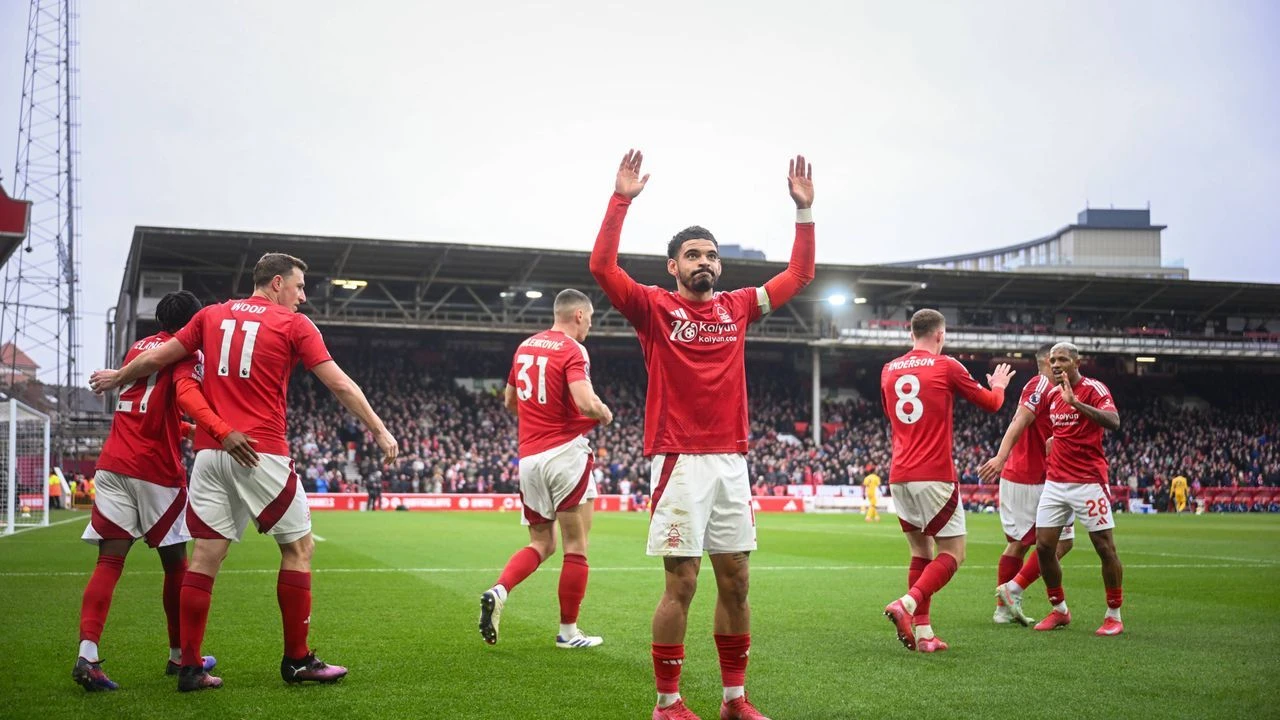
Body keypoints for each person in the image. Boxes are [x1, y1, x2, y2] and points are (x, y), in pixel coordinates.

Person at [90, 253, 398, 691]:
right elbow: (340, 383)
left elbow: (160, 358)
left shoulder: (211, 316)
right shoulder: (294, 325)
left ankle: (191, 667)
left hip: (211, 454)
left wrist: (117, 375)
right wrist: (381, 430)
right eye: (299, 287)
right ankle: (297, 659)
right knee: (299, 548)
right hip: (260, 451)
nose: (302, 297)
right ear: (276, 283)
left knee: (205, 556)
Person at [590, 149, 815, 720]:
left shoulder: (738, 307)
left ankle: (734, 699)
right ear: (673, 266)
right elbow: (601, 269)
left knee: (736, 581)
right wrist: (621, 200)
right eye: (693, 255)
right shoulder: (653, 307)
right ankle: (667, 702)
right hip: (679, 460)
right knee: (682, 583)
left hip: (731, 460)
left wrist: (804, 214)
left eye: (711, 255)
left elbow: (799, 275)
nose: (705, 263)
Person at [72, 291, 255, 691]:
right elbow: (183, 396)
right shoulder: (186, 354)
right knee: (178, 566)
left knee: (109, 563)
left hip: (113, 463)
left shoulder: (137, 348)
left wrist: (186, 430)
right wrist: (216, 429)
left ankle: (88, 654)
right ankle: (181, 657)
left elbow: (151, 405)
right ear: (192, 324)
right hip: (156, 470)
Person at [479, 289, 613, 650]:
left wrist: (539, 423)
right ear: (580, 315)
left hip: (529, 458)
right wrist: (603, 412)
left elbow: (509, 401)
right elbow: (585, 402)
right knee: (576, 546)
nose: (590, 326)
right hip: (565, 454)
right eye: (591, 319)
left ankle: (500, 588)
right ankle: (568, 633)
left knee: (541, 542)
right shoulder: (573, 349)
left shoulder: (524, 346)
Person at [880, 309, 1013, 653]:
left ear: (912, 334)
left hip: (899, 475)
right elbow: (992, 403)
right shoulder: (947, 366)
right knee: (954, 552)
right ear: (940, 335)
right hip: (934, 473)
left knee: (920, 551)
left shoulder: (888, 370)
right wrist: (998, 385)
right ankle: (907, 604)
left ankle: (924, 635)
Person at [1023, 342, 1126, 636]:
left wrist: (1076, 402)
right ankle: (1059, 610)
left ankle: (1114, 615)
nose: (1055, 364)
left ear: (1077, 362)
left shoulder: (1094, 389)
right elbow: (1061, 431)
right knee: (1043, 547)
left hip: (1089, 481)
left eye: (1062, 360)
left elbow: (1114, 421)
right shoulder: (1054, 395)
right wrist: (1054, 442)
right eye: (1052, 360)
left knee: (1104, 547)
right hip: (1056, 482)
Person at [977, 344, 1075, 626]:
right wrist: (1000, 456)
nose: (1063, 365)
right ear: (1048, 360)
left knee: (1019, 544)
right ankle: (1013, 588)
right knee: (1062, 541)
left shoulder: (1055, 388)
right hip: (1031, 477)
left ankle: (1003, 609)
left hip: (1030, 476)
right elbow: (1021, 418)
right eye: (1059, 359)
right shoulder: (1041, 383)